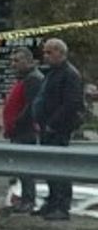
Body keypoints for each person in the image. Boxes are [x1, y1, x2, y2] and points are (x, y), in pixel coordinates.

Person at [32, 38, 86, 220]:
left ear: (61, 53)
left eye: (50, 52)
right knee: (49, 167)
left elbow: (71, 104)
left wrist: (52, 124)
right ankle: (52, 202)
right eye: (45, 52)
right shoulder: (53, 73)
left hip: (58, 129)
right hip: (46, 128)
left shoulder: (69, 74)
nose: (45, 56)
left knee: (59, 168)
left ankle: (62, 207)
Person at [1, 46, 44, 213]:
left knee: (26, 168)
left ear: (28, 61)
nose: (13, 64)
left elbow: (31, 106)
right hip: (18, 130)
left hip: (25, 131)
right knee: (21, 168)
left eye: (17, 61)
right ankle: (25, 200)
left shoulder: (33, 79)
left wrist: (17, 122)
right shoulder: (24, 78)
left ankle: (28, 200)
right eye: (12, 61)